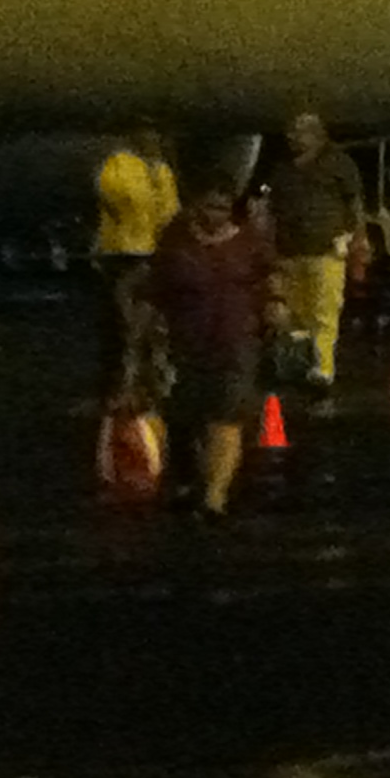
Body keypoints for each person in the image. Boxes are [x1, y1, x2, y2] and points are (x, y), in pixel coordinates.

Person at [141, 180, 275, 516]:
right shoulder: (175, 243)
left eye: (223, 208)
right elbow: (153, 289)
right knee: (184, 416)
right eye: (209, 207)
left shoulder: (249, 242)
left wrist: (276, 306)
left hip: (236, 341)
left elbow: (270, 278)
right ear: (194, 206)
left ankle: (215, 496)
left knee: (227, 414)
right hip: (186, 343)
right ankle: (188, 479)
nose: (215, 215)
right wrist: (145, 339)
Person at [261, 110, 367, 392]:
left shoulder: (339, 163)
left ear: (317, 134)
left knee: (324, 311)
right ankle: (298, 363)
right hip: (290, 252)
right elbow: (272, 211)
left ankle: (323, 367)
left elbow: (354, 203)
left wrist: (359, 240)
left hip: (327, 250)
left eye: (297, 131)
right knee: (294, 313)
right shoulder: (283, 169)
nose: (290, 137)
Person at [91, 117, 179, 391]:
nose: (152, 140)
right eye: (146, 134)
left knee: (151, 323)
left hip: (152, 252)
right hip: (123, 252)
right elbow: (115, 197)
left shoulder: (161, 171)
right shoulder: (119, 164)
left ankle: (150, 378)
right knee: (124, 322)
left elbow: (170, 212)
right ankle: (122, 382)